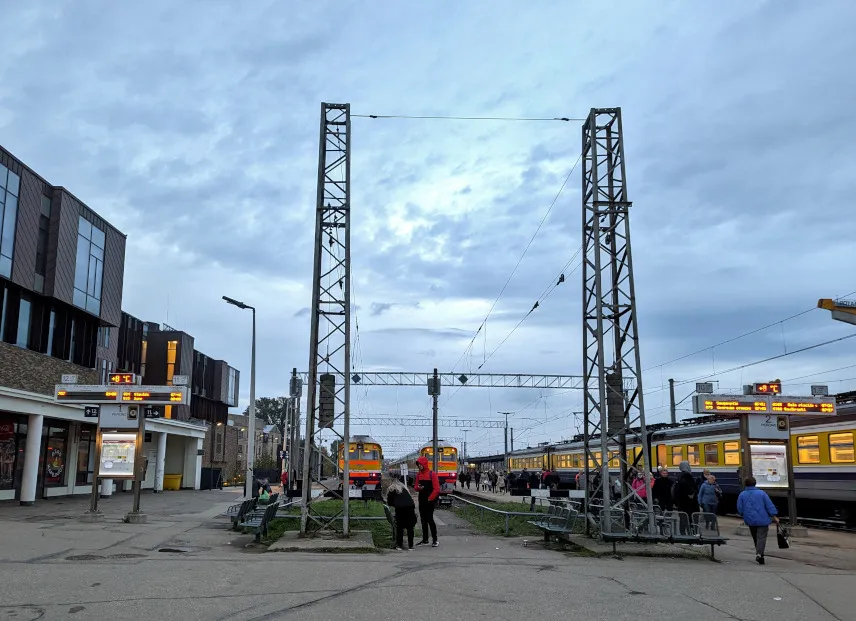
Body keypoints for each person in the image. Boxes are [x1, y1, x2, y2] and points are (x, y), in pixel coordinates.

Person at [737, 476, 779, 564]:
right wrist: (774, 515)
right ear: (755, 483)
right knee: (762, 537)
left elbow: (740, 508)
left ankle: (760, 554)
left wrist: (743, 514)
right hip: (763, 519)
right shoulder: (762, 493)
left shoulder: (742, 494)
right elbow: (769, 505)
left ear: (745, 484)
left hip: (750, 520)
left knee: (755, 537)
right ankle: (760, 554)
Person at [414, 456, 440, 547]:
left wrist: (430, 498)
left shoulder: (432, 474)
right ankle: (425, 539)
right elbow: (415, 487)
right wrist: (418, 488)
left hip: (429, 500)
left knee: (430, 519)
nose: (419, 466)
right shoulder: (418, 475)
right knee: (423, 520)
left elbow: (436, 489)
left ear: (424, 464)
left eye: (420, 464)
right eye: (418, 465)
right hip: (421, 500)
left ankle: (435, 539)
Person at [386, 478, 417, 551]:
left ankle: (399, 545)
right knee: (410, 527)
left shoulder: (391, 489)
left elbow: (389, 502)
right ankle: (411, 546)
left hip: (400, 509)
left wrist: (395, 504)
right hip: (410, 508)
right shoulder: (405, 489)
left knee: (400, 527)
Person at [675, 462, 697, 534]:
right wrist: (692, 493)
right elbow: (689, 488)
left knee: (683, 519)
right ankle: (690, 534)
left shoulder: (679, 476)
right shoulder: (687, 476)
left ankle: (683, 534)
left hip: (681, 503)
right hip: (688, 503)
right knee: (690, 519)